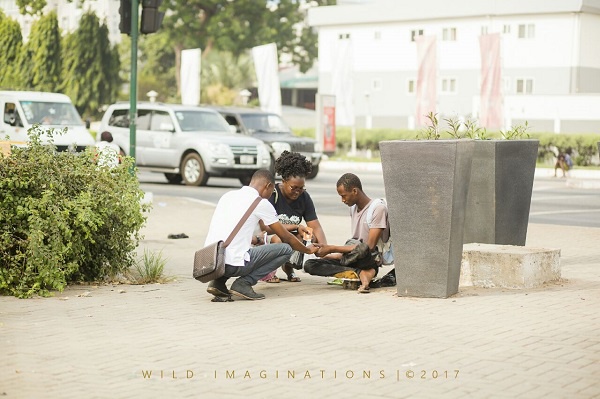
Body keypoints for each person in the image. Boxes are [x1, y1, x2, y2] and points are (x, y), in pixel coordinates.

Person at [204, 169, 319, 301]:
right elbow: (286, 237)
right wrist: (307, 249)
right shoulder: (260, 202)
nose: (271, 195)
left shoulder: (227, 196)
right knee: (285, 249)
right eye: (271, 191)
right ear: (268, 186)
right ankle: (244, 283)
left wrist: (256, 239)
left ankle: (218, 282)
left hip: (213, 261)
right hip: (233, 264)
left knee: (238, 252)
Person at [304, 173, 391, 294]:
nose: (342, 200)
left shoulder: (378, 208)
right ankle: (360, 272)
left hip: (368, 257)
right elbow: (354, 242)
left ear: (354, 191)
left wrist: (332, 249)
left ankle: (366, 270)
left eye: (344, 196)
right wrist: (329, 254)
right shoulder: (353, 208)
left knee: (362, 249)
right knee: (309, 264)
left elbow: (369, 247)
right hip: (351, 255)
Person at [258, 150, 328, 283]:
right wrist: (296, 226)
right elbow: (265, 227)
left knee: (304, 236)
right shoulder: (272, 194)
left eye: (301, 188)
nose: (297, 192)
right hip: (267, 238)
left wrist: (324, 248)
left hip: (289, 236)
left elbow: (315, 226)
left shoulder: (304, 197)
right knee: (279, 239)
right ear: (284, 181)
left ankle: (289, 268)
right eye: (294, 187)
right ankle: (269, 270)